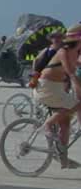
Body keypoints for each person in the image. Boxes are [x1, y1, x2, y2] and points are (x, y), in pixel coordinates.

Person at [34, 24, 81, 169]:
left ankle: (63, 157)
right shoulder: (63, 52)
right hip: (46, 87)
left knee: (66, 123)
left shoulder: (76, 52)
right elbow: (72, 75)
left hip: (58, 88)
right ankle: (47, 124)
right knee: (77, 105)